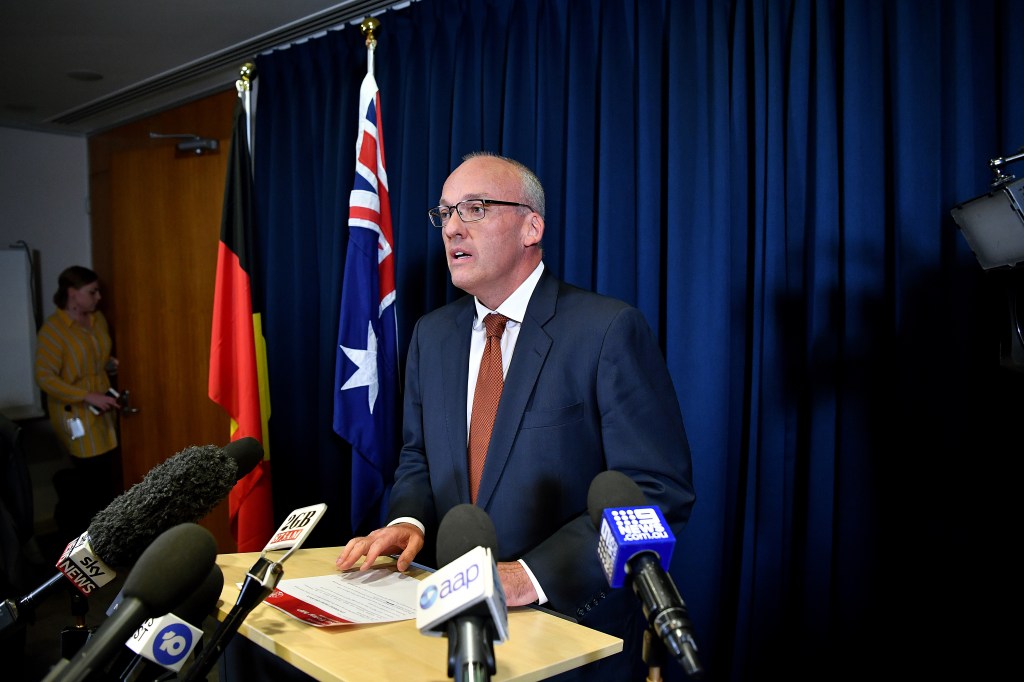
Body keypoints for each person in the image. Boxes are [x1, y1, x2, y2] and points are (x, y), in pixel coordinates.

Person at [336, 152, 696, 680]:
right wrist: (406, 521)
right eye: (445, 213)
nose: (453, 227)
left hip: (570, 633)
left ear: (532, 226)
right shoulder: (431, 336)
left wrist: (530, 575)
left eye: (475, 208)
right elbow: (417, 458)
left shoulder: (607, 330)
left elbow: (656, 490)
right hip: (452, 629)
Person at [34, 265, 121, 537]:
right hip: (76, 412)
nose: (98, 298)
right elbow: (45, 377)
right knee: (90, 475)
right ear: (73, 294)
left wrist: (109, 365)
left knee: (104, 472)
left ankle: (103, 534)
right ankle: (82, 535)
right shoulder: (54, 330)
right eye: (92, 292)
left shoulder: (97, 321)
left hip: (102, 409)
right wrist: (86, 395)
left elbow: (93, 358)